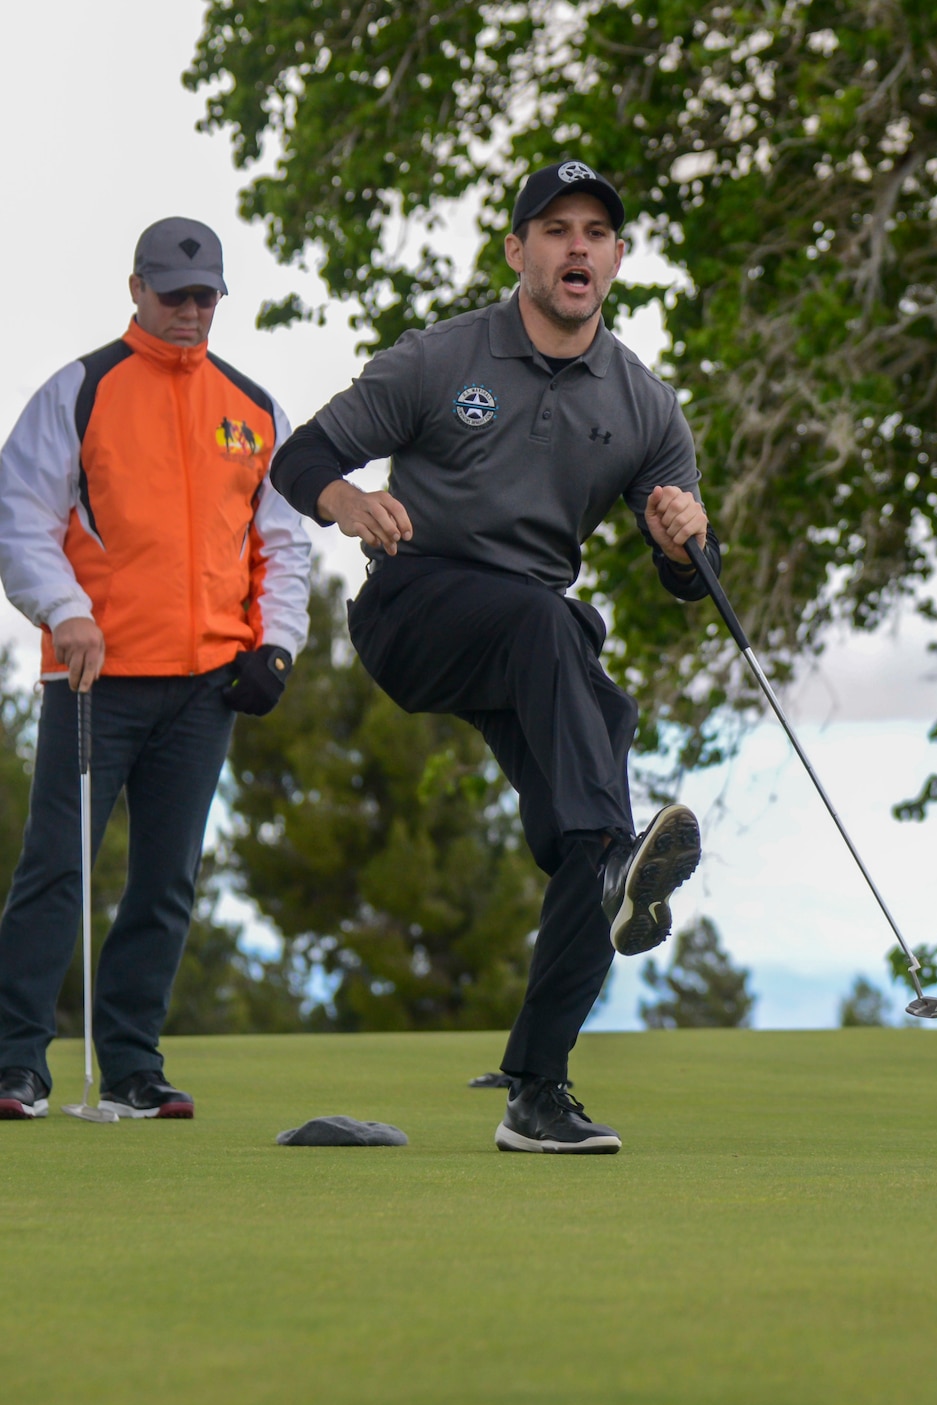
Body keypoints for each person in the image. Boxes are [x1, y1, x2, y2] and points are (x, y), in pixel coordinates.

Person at [269, 160, 713, 1156]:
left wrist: (687, 542)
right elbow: (298, 458)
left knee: (592, 832)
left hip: (530, 642)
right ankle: (607, 859)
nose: (576, 248)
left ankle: (537, 1090)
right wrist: (347, 503)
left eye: (595, 232)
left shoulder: (644, 405)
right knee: (561, 643)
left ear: (617, 258)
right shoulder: (439, 359)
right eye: (554, 230)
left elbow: (688, 578)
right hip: (415, 609)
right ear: (518, 252)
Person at [0, 218, 310, 1121]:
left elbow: (281, 544)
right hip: (94, 678)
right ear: (136, 289)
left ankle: (134, 1066)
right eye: (174, 294)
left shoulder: (255, 410)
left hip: (205, 687)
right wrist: (67, 612)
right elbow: (21, 519)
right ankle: (16, 1063)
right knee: (57, 869)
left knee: (167, 880)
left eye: (204, 295)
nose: (190, 310)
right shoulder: (82, 389)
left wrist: (275, 645)